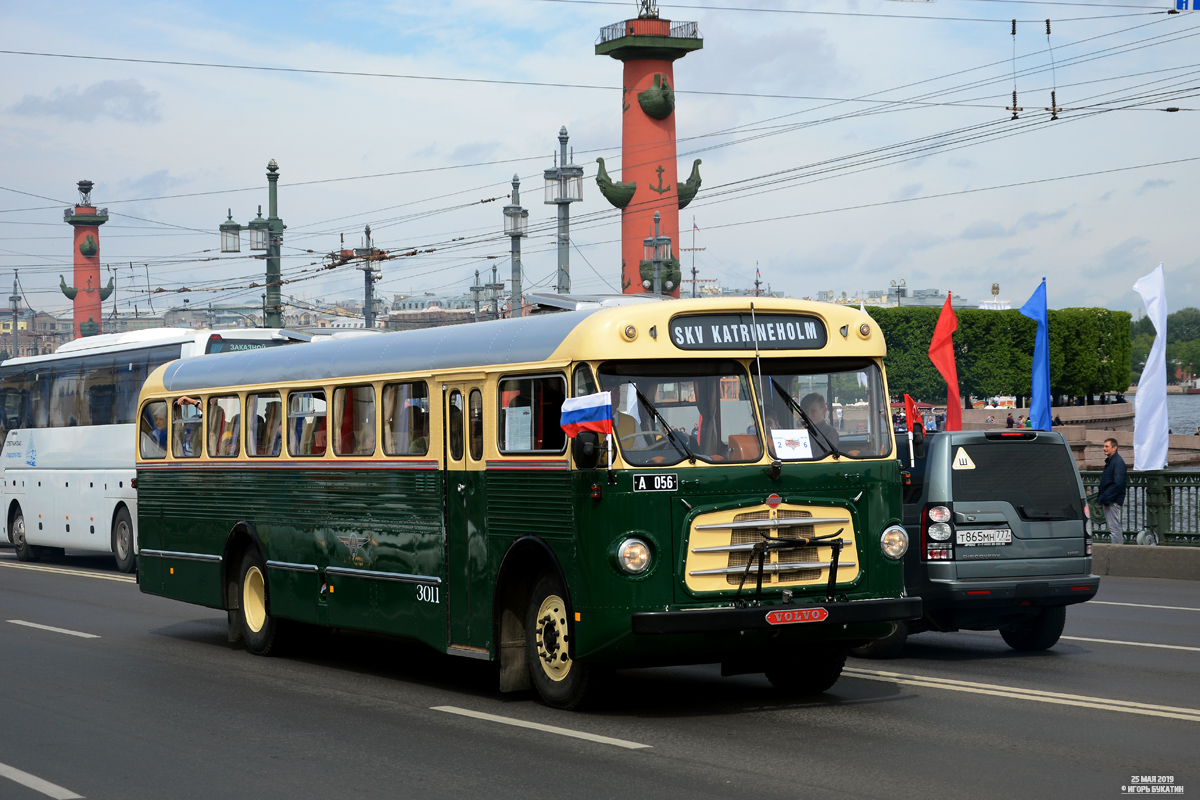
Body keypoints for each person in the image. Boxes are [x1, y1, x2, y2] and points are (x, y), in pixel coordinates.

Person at [1098, 437, 1127, 545]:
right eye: (1104, 446)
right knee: (1114, 528)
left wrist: (1106, 500)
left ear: (1114, 448)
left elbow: (1118, 484)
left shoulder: (1117, 462)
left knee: (1115, 528)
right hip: (1111, 499)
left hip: (1112, 501)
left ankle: (1117, 552)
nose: (1104, 449)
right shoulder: (1112, 461)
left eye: (1107, 446)